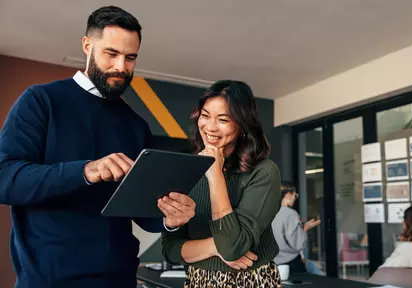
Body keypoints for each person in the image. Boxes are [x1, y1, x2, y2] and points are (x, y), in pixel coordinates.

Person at [0, 6, 195, 288]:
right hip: (49, 281)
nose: (121, 67)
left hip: (120, 279)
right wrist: (86, 171)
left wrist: (172, 218)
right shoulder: (41, 101)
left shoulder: (135, 125)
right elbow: (5, 178)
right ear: (87, 46)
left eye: (130, 58)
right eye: (111, 54)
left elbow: (143, 211)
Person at [161, 80, 282, 287]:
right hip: (198, 282)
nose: (210, 127)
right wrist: (213, 246)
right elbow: (170, 250)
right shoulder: (184, 170)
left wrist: (215, 173)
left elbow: (232, 248)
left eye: (223, 119)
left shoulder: (263, 172)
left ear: (242, 125)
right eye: (205, 115)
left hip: (252, 281)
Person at [271, 181, 321, 273]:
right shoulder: (290, 214)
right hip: (289, 263)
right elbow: (297, 244)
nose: (295, 198)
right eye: (295, 195)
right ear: (288, 195)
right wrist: (305, 229)